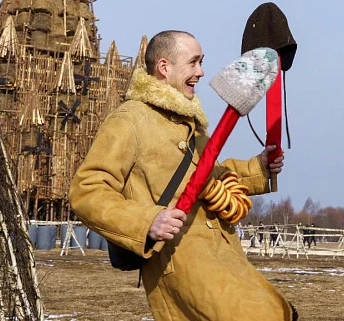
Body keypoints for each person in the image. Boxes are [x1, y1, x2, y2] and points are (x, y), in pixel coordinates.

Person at [70, 30, 297, 321]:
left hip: (223, 254)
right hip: (180, 263)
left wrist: (258, 167)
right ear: (164, 67)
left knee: (276, 312)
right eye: (193, 62)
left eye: (201, 62)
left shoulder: (189, 123)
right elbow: (87, 190)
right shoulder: (130, 120)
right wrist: (147, 221)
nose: (201, 72)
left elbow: (208, 175)